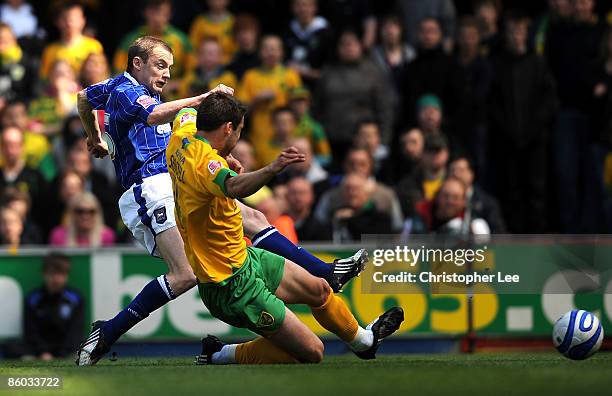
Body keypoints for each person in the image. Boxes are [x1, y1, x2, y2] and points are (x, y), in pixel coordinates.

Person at [76, 36, 366, 365]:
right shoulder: (126, 91)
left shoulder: (116, 88)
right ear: (136, 63)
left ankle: (326, 272)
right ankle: (109, 331)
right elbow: (155, 116)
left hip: (171, 179)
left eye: (170, 68)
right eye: (160, 65)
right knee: (184, 274)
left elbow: (84, 97)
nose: (166, 74)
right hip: (147, 189)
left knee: (252, 216)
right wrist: (203, 98)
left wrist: (94, 137)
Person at [168, 93, 403, 365]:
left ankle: (364, 342)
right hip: (229, 284)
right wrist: (272, 168)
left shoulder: (181, 134)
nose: (240, 136)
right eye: (241, 130)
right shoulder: (206, 166)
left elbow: (185, 112)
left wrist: (225, 153)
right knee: (313, 352)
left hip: (245, 258)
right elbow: (234, 186)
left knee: (320, 289)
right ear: (228, 128)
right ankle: (219, 354)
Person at [113, 0, 192, 82]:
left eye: (162, 12)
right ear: (144, 12)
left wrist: (178, 84)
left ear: (170, 13)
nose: (157, 18)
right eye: (153, 12)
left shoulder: (182, 40)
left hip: (175, 91)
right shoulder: (131, 40)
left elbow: (192, 71)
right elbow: (119, 71)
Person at [23, 253, 84, 360]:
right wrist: (43, 352)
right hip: (39, 350)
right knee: (13, 348)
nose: (56, 279)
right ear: (44, 274)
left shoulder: (76, 298)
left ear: (67, 275)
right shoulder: (32, 299)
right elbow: (30, 331)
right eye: (52, 274)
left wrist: (62, 354)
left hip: (67, 350)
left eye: (61, 274)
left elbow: (75, 330)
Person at [39, 1, 103, 80]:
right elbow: (44, 80)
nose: (69, 23)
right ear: (57, 22)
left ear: (83, 20)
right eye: (65, 18)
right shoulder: (50, 51)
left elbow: (101, 77)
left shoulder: (94, 46)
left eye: (73, 18)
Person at [283, 0, 334, 89]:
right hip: (291, 86)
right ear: (292, 8)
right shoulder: (287, 31)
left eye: (307, 5)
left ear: (315, 7)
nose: (303, 9)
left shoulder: (325, 32)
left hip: (319, 87)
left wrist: (305, 72)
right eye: (298, 5)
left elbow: (330, 69)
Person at [49, 191, 115, 247]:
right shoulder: (58, 236)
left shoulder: (107, 236)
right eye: (80, 211)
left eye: (91, 211)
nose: (85, 216)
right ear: (72, 213)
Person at [188, 0, 237, 64]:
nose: (217, 1)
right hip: (203, 65)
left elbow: (236, 51)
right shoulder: (199, 22)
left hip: (227, 65)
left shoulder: (233, 22)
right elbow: (192, 48)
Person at [286, 176, 331, 241]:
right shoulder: (277, 224)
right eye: (294, 193)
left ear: (312, 196)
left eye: (302, 193)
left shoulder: (320, 228)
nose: (298, 197)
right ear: (286, 196)